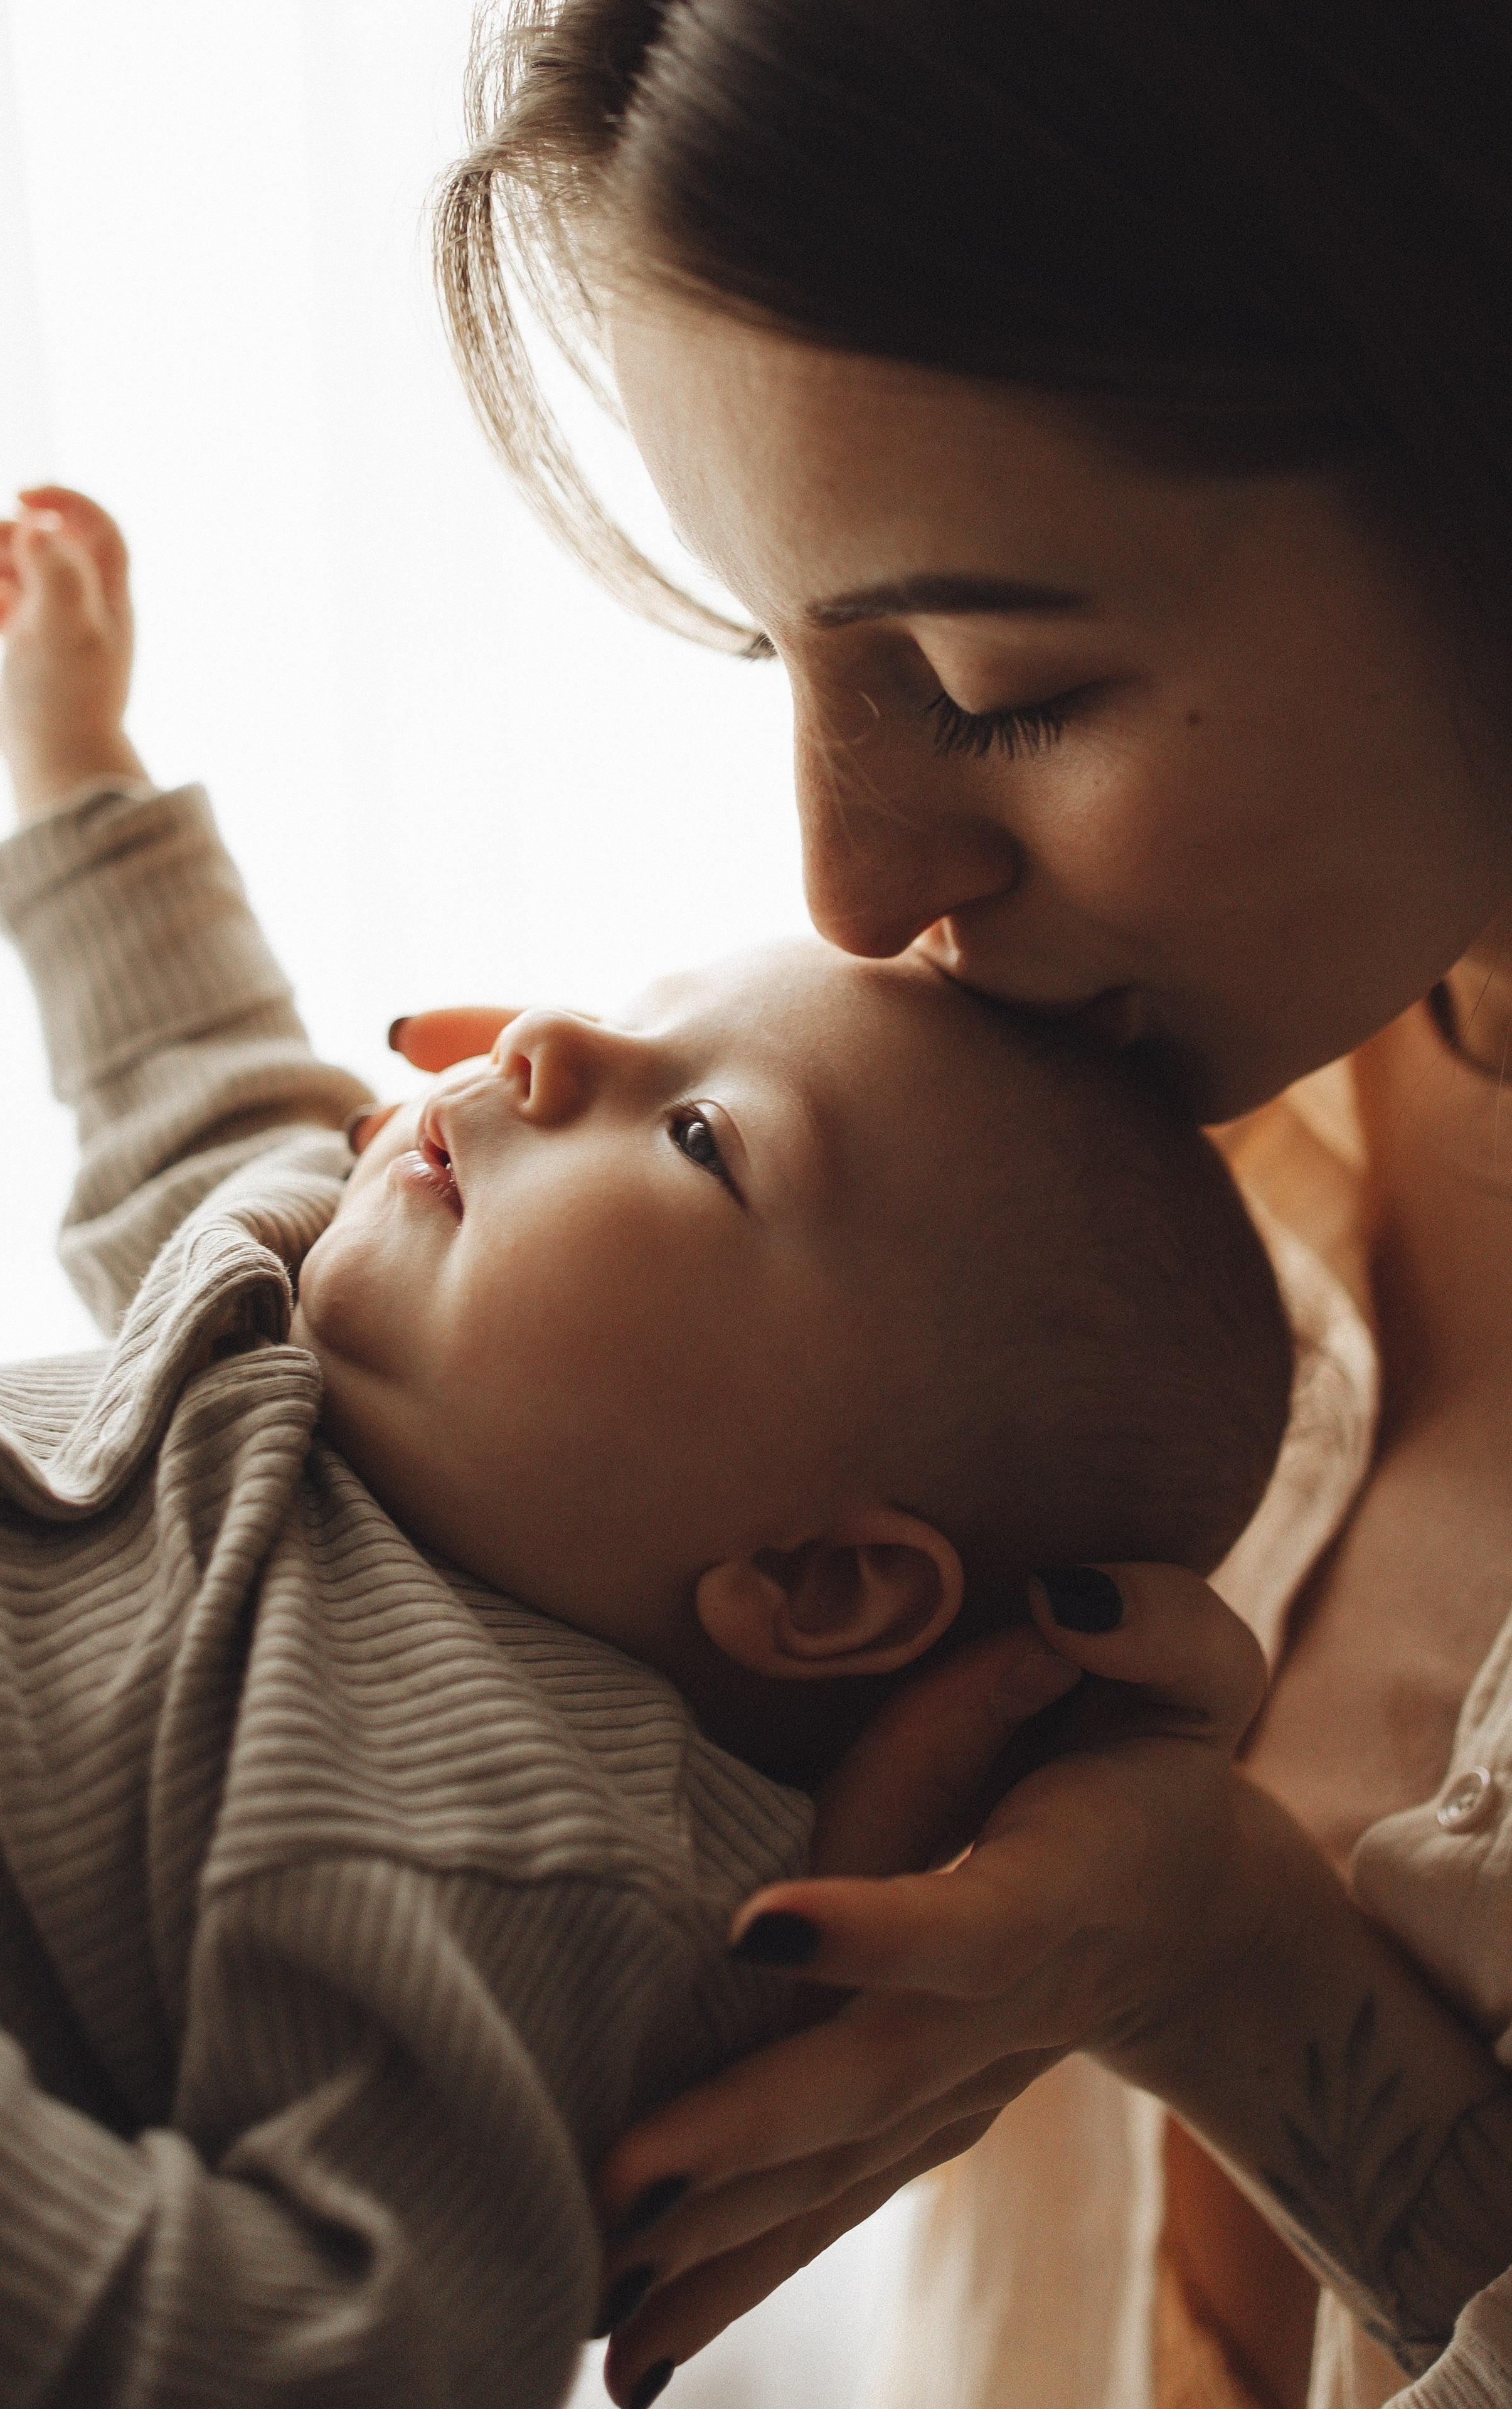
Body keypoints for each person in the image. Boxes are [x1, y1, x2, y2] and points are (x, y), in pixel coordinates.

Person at [0, 487, 1304, 2409]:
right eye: (641, 1018)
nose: (547, 1041)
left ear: (817, 1578)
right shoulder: (339, 1355)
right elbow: (199, 1094)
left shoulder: (495, 1844)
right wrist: (78, 767)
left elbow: (346, 2349)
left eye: (700, 1137)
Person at [425, 6, 1512, 2407]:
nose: (844, 887)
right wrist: (1194, 1948)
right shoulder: (1066, 1163)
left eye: (990, 684)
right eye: (780, 648)